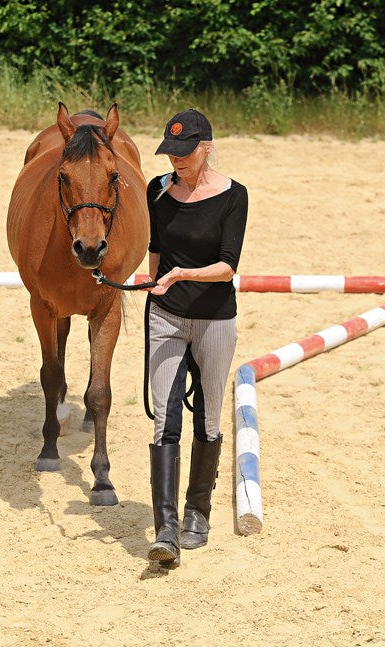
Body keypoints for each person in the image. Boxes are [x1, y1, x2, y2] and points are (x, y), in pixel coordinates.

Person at [144, 108, 248, 567]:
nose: (177, 160)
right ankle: (165, 529)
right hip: (165, 317)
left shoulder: (234, 196)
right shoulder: (158, 190)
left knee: (207, 419)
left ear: (207, 147)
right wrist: (155, 285)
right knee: (163, 420)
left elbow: (227, 266)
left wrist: (182, 274)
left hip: (214, 320)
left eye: (185, 153)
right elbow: (155, 249)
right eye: (171, 153)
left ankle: (197, 513)